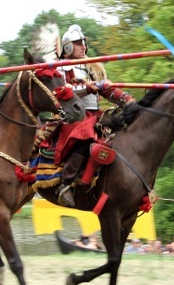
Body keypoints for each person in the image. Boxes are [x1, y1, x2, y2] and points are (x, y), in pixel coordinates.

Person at [54, 24, 135, 208]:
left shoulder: (93, 67)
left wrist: (128, 101)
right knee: (88, 134)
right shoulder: (60, 69)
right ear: (67, 47)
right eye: (77, 43)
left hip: (94, 115)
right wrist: (86, 88)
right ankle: (65, 184)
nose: (83, 46)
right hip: (72, 117)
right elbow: (61, 93)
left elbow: (107, 91)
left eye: (83, 43)